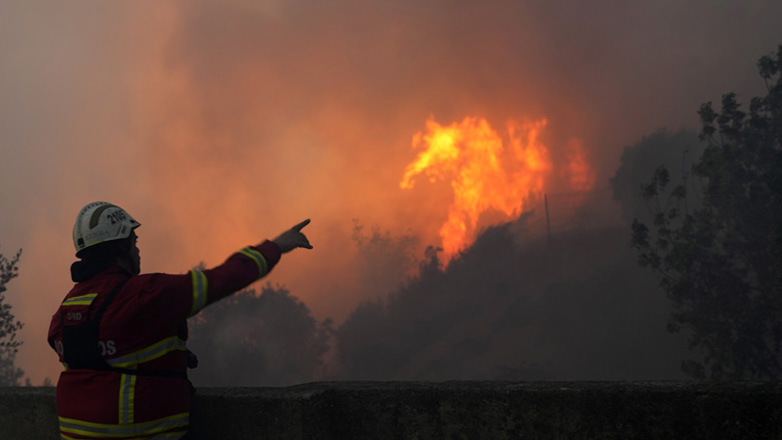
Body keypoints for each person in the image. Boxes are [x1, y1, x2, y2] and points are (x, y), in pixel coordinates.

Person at [47, 201, 312, 440]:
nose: (138, 251)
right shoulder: (147, 294)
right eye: (134, 242)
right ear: (121, 246)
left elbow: (102, 351)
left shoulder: (67, 307)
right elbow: (224, 277)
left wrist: (165, 352)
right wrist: (276, 246)